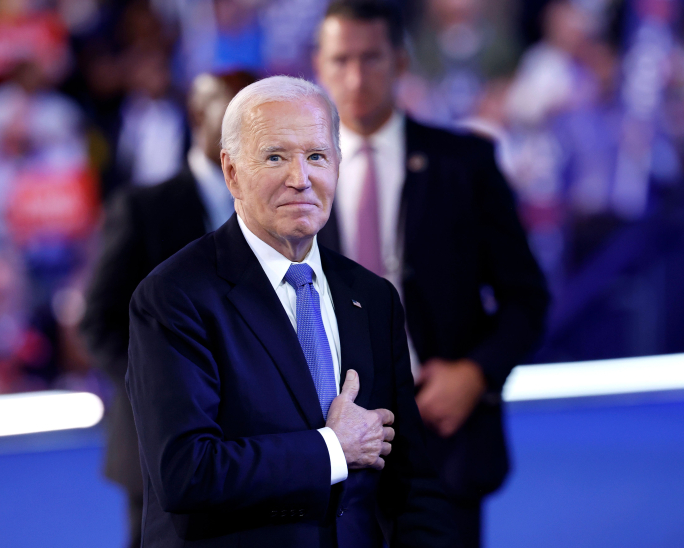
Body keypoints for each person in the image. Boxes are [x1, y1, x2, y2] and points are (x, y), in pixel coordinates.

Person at [126, 75, 456, 547]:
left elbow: (412, 481)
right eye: (276, 156)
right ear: (232, 171)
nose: (300, 179)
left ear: (338, 166)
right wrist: (331, 449)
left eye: (317, 156)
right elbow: (187, 472)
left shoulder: (372, 297)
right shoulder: (174, 296)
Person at [313, 2, 550, 547]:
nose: (355, 76)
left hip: (444, 438)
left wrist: (476, 374)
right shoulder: (297, 176)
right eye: (340, 59)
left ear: (400, 61)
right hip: (325, 443)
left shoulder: (465, 163)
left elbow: (527, 298)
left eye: (371, 58)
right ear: (318, 67)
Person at [81, 70, 256, 548]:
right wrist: (162, 390)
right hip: (158, 447)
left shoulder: (281, 210)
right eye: (237, 111)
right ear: (200, 114)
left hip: (258, 451)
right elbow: (99, 321)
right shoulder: (142, 208)